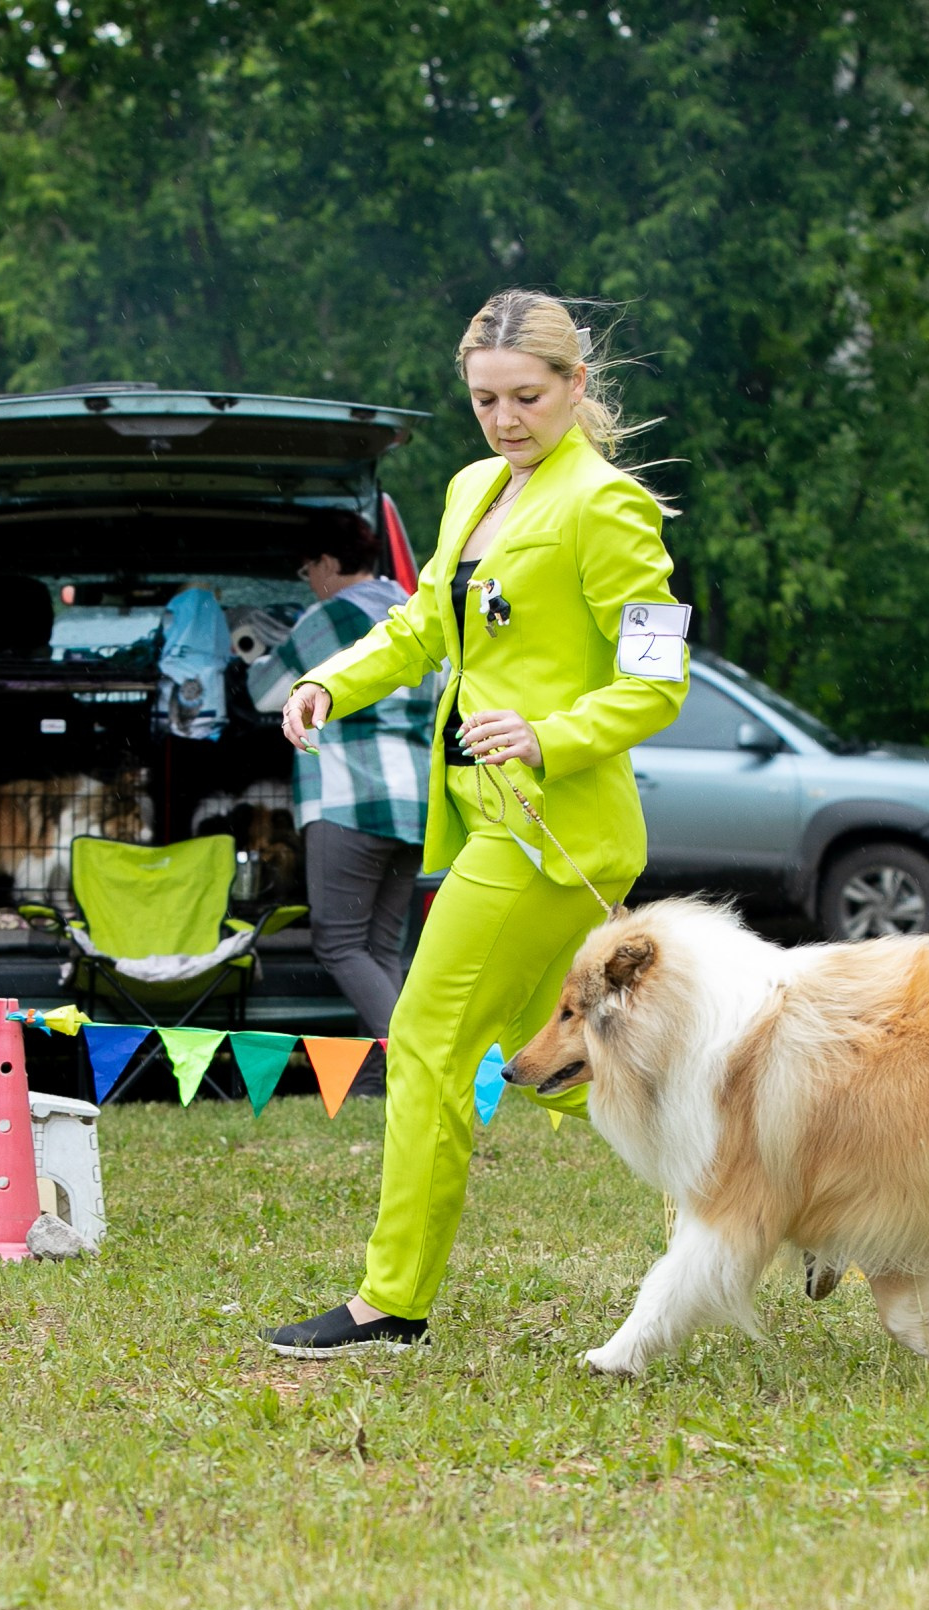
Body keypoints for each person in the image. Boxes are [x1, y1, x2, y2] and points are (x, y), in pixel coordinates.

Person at [263, 291, 691, 1357]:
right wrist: (332, 679)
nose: (504, 419)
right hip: (484, 820)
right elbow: (420, 625)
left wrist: (547, 733)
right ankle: (784, 1185)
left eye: (527, 397)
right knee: (540, 1052)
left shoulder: (611, 507)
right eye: (484, 399)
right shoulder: (468, 489)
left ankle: (389, 1300)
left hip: (556, 828)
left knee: (429, 1041)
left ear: (575, 386)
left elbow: (658, 678)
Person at [248, 518, 440, 1054]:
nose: (310, 580)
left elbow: (266, 691)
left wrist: (262, 651)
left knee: (337, 943)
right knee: (380, 948)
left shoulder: (328, 615)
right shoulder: (412, 608)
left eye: (309, 570)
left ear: (330, 564)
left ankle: (414, 1065)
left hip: (349, 797)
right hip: (416, 800)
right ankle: (383, 1081)